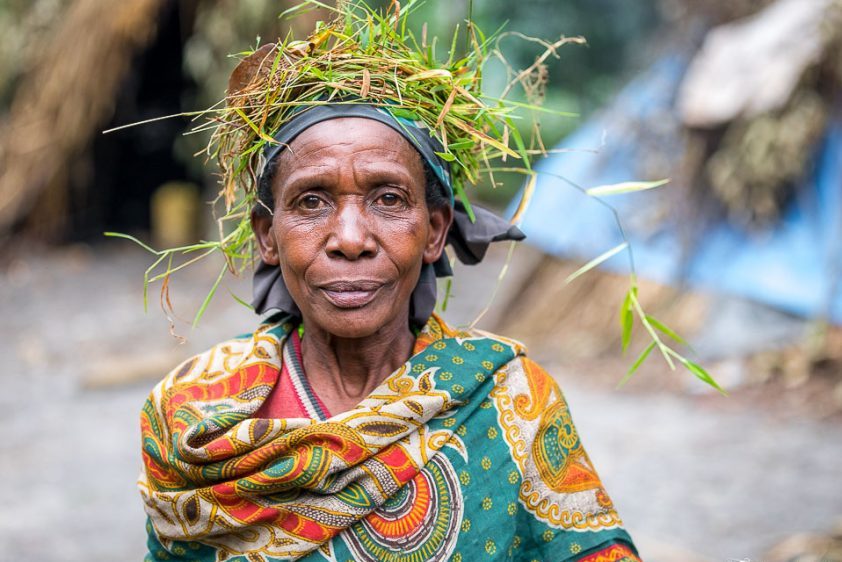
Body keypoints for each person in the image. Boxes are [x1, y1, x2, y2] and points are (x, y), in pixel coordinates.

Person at [137, 5, 641, 561]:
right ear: (267, 236)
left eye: (388, 199)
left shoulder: (510, 401)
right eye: (311, 202)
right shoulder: (191, 417)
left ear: (434, 230)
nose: (350, 238)